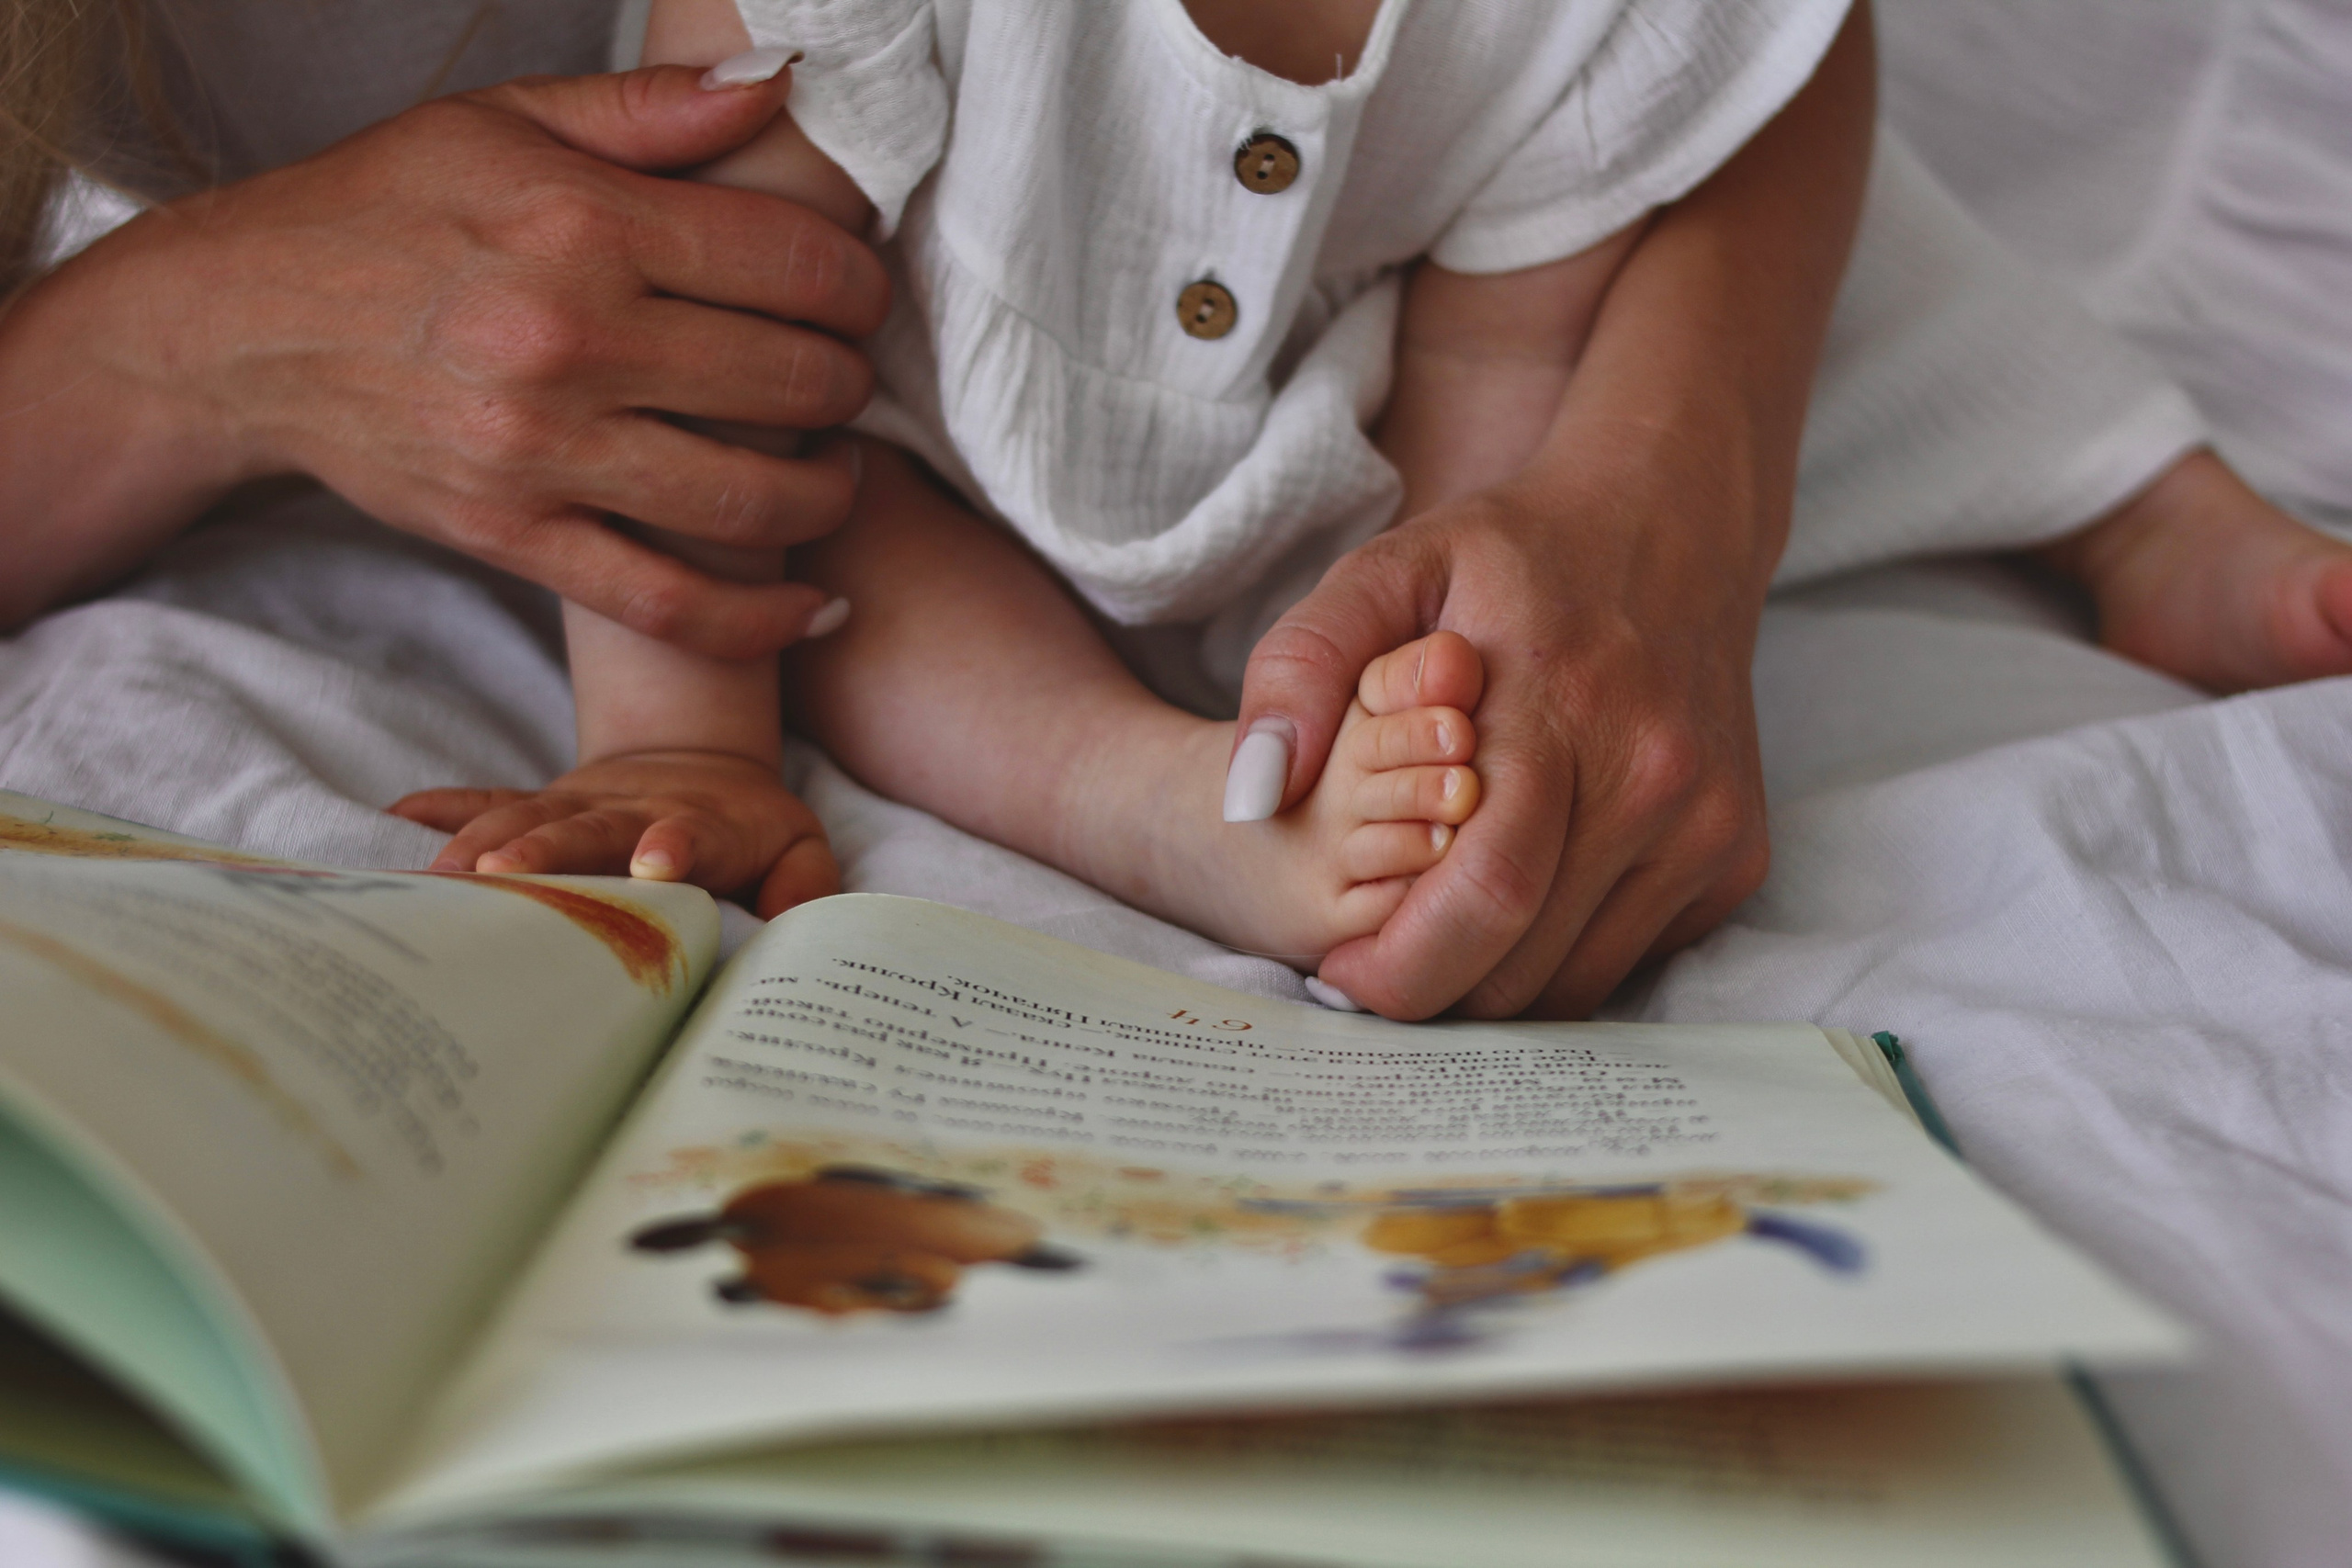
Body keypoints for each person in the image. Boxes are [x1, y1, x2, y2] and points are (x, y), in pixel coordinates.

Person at [388, 0, 2352, 1019]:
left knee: (1843, 273)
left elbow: (1498, 461)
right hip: (894, 410)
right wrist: (676, 740)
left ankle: (2141, 508)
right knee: (834, 512)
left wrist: (1457, 701)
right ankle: (1162, 809)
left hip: (1366, 378)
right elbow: (692, 354)